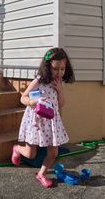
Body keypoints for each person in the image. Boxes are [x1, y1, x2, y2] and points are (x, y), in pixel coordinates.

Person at [11, 47, 75, 187]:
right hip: (36, 121)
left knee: (53, 153)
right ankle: (17, 149)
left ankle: (41, 174)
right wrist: (33, 102)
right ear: (48, 67)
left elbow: (61, 104)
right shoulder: (39, 80)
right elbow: (23, 98)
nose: (59, 72)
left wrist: (60, 90)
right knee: (30, 154)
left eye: (62, 69)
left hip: (52, 121)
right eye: (55, 69)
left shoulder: (59, 83)